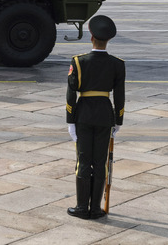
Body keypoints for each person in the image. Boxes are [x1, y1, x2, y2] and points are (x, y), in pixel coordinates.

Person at [66, 15, 125, 220]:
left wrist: (70, 120)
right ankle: (96, 209)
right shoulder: (117, 64)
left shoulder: (78, 61)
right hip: (105, 115)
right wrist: (118, 120)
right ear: (107, 40)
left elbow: (71, 93)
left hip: (83, 115)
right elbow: (119, 95)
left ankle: (82, 207)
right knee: (101, 163)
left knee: (83, 161)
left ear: (91, 37)